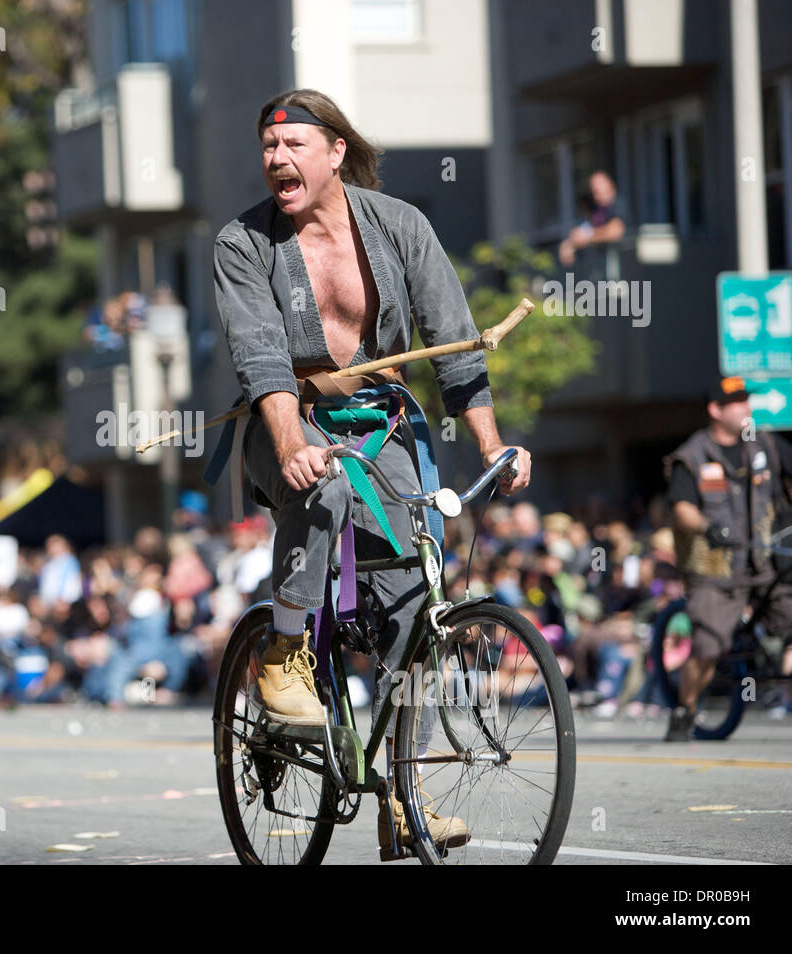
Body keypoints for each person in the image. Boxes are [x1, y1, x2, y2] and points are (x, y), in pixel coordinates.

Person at [212, 89, 531, 852]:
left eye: (293, 146)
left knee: (410, 601)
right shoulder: (242, 243)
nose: (277, 160)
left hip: (378, 421)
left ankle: (401, 797)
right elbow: (262, 359)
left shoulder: (400, 227)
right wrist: (289, 439)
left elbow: (455, 342)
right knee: (315, 482)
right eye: (268, 147)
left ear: (335, 154)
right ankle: (285, 650)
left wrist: (491, 445)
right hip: (282, 416)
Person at [663, 377, 792, 740]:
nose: (746, 408)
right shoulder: (692, 456)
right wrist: (708, 528)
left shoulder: (765, 443)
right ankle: (685, 709)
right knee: (709, 644)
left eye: (746, 400)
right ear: (715, 410)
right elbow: (681, 511)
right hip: (716, 571)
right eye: (737, 402)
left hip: (766, 564)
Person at [557, 170, 628, 271]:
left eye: (599, 185)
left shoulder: (618, 204)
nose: (596, 189)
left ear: (609, 185)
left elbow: (615, 232)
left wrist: (587, 237)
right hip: (596, 271)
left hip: (619, 270)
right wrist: (568, 245)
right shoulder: (594, 210)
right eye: (593, 187)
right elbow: (582, 231)